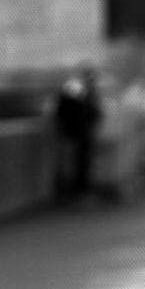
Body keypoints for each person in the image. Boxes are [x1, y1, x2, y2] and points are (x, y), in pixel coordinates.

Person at [54, 68, 100, 200]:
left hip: (78, 130)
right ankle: (78, 190)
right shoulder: (76, 88)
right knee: (78, 161)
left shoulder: (78, 88)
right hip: (77, 130)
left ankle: (79, 189)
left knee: (80, 160)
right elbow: (76, 110)